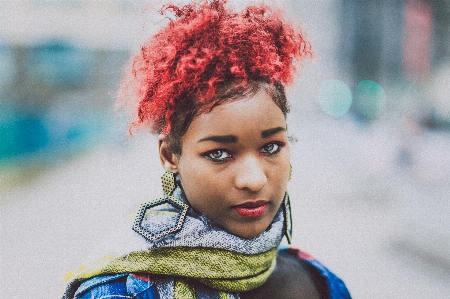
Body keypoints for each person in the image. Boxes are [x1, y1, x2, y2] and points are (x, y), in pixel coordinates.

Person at [62, 1, 351, 298]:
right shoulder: (121, 292)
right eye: (219, 153)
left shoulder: (321, 283)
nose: (253, 179)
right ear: (170, 156)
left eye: (271, 146)